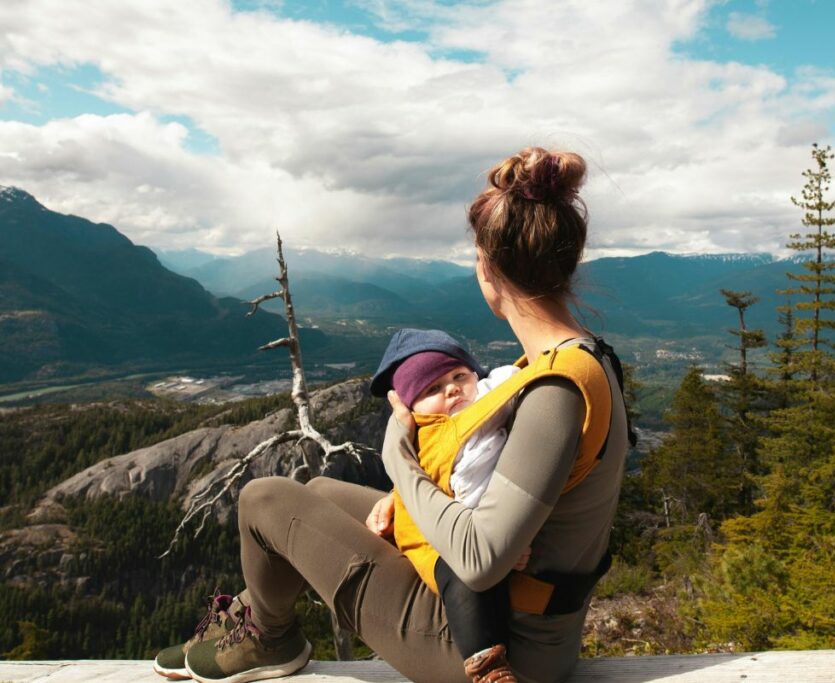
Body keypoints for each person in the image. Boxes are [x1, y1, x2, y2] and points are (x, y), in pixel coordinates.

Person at [153, 146, 631, 683]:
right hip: (520, 619)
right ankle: (249, 624)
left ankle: (269, 638)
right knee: (322, 493)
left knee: (264, 498)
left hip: (495, 648)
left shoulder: (555, 392)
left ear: (487, 268)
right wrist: (402, 500)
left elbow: (479, 559)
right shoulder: (581, 360)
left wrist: (397, 456)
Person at [368, 328, 525, 681]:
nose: (452, 388)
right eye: (432, 389)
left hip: (475, 528)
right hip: (434, 540)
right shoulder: (435, 434)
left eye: (459, 376)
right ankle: (486, 666)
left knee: (484, 579)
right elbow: (451, 484)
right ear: (413, 408)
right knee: (463, 579)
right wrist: (505, 544)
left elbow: (508, 380)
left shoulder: (480, 405)